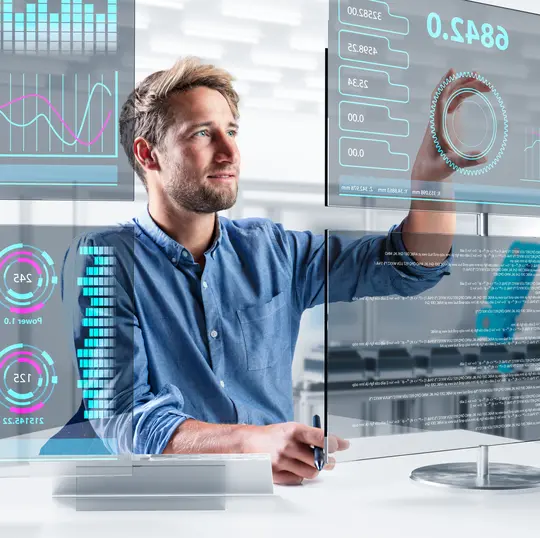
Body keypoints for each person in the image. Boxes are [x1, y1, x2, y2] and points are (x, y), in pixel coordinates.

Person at [61, 58, 489, 485]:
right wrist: (251, 444)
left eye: (231, 131)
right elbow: (122, 416)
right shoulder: (105, 259)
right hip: (169, 502)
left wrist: (430, 181)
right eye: (202, 133)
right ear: (147, 154)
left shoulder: (274, 250)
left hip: (280, 499)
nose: (229, 152)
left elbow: (406, 266)